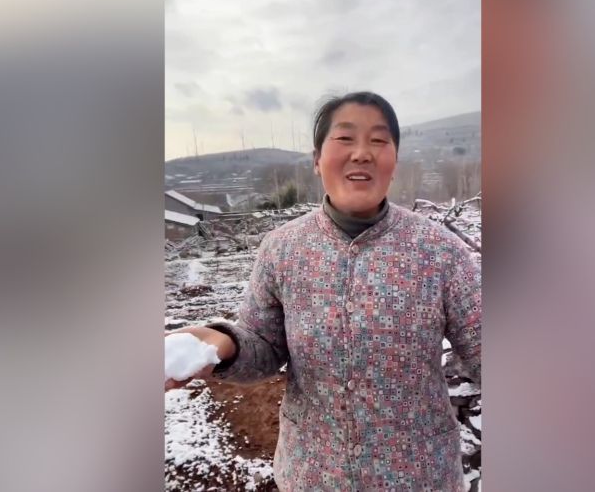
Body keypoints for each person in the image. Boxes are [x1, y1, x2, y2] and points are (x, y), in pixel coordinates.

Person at [166, 91, 482, 490]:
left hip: (421, 477)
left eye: (379, 140)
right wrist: (220, 342)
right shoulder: (282, 249)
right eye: (345, 138)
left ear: (394, 161)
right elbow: (264, 348)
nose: (362, 153)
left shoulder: (441, 251)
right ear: (317, 159)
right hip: (311, 475)